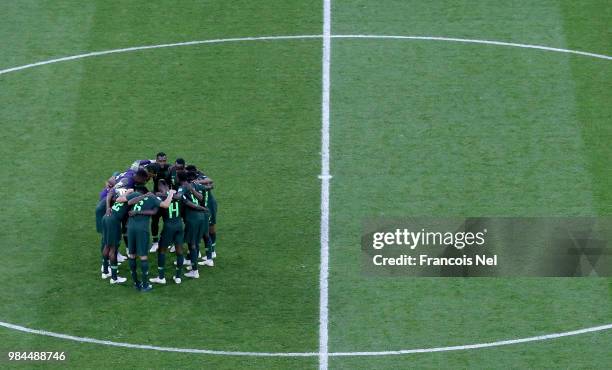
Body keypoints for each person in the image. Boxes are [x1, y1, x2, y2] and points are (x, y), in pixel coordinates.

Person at [126, 190, 175, 292]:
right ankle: (145, 285)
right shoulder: (153, 198)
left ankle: (136, 282)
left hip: (130, 227)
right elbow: (166, 205)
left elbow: (129, 202)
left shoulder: (138, 195)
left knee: (132, 254)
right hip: (142, 229)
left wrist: (143, 196)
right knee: (143, 256)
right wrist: (171, 193)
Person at [149, 180, 185, 284]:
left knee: (161, 251)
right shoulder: (178, 196)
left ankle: (161, 278)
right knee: (179, 251)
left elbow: (156, 213)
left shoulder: (161, 199)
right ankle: (178, 277)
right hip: (179, 225)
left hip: (169, 227)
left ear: (160, 189)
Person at [101, 188, 137, 284]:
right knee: (113, 249)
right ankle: (114, 278)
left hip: (106, 218)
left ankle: (105, 271)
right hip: (113, 222)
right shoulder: (131, 200)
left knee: (107, 245)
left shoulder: (119, 197)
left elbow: (111, 195)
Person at [178, 172, 208, 279]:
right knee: (195, 242)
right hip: (201, 218)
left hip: (192, 218)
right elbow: (201, 197)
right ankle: (192, 265)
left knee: (192, 244)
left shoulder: (182, 188)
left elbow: (180, 198)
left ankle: (195, 271)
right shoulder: (195, 185)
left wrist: (167, 194)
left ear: (178, 178)